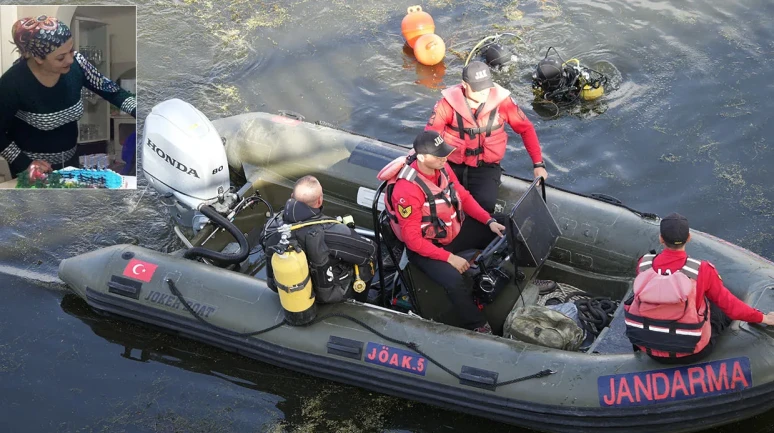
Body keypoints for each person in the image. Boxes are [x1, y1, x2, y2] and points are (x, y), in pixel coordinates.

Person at [379, 130, 508, 334]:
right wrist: (449, 258)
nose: (445, 157)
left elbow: (463, 196)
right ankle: (476, 324)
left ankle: (510, 276)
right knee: (453, 280)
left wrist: (488, 220)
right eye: (439, 155)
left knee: (505, 225)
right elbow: (413, 241)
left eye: (445, 153)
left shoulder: (442, 167)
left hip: (451, 229)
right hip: (427, 246)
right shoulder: (407, 191)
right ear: (422, 157)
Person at [624, 213, 774, 364]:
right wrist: (763, 318)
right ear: (688, 238)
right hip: (692, 351)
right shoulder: (703, 270)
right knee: (718, 307)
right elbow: (732, 308)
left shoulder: (643, 264)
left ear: (661, 238)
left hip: (650, 349)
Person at [0, 15, 137, 178]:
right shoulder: (13, 82)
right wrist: (25, 163)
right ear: (37, 58)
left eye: (71, 50)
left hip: (70, 160)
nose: (70, 59)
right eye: (60, 57)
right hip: (32, 168)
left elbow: (111, 91)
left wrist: (141, 112)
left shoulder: (77, 64)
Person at [425, 60, 547, 213]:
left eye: (486, 87)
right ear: (464, 84)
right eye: (478, 89)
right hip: (451, 165)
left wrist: (538, 164)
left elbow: (526, 129)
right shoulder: (447, 104)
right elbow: (430, 137)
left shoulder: (503, 103)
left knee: (484, 208)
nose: (484, 92)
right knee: (442, 207)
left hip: (485, 168)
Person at [262, 176, 377, 304]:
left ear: (291, 196)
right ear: (320, 200)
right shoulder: (332, 231)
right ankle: (362, 300)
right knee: (369, 258)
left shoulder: (272, 226)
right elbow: (369, 250)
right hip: (326, 294)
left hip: (286, 287)